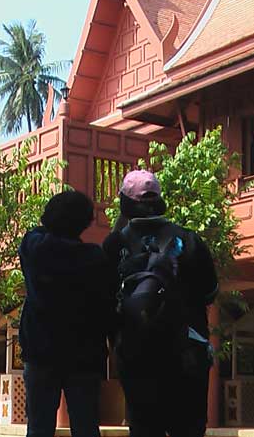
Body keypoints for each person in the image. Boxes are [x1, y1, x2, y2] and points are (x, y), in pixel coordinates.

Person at [102, 170, 218, 437]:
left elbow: (103, 301)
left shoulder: (114, 244)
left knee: (144, 429)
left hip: (137, 357)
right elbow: (210, 292)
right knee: (188, 429)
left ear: (125, 203)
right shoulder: (189, 240)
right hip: (187, 354)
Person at [17, 190, 117, 437]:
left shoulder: (34, 247)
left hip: (40, 352)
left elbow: (38, 230)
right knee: (86, 427)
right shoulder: (94, 258)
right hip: (85, 355)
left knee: (38, 428)